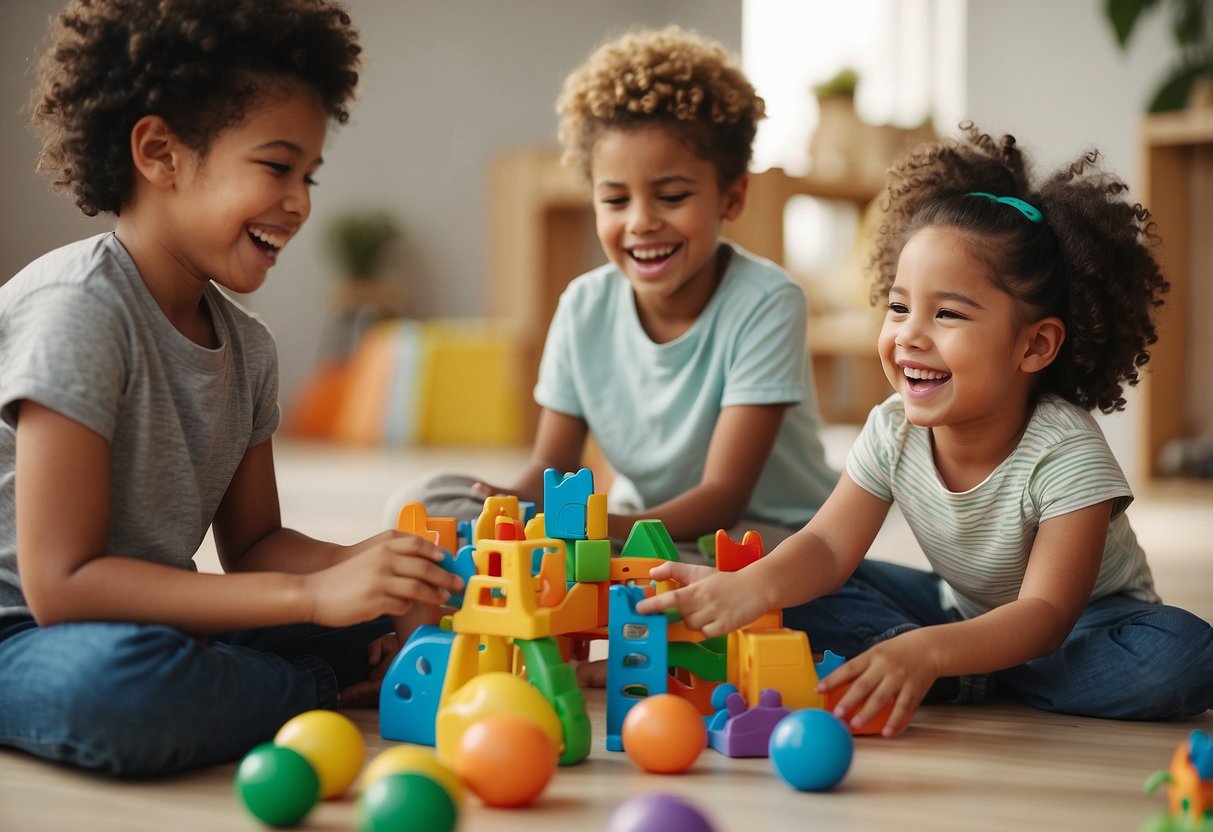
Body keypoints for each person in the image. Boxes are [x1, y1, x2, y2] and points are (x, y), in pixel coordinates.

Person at [0, 0, 462, 777]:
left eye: (309, 176)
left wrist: (367, 562)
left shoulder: (248, 346)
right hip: (27, 635)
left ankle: (276, 682)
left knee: (401, 599)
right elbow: (62, 586)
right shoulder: (79, 309)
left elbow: (253, 548)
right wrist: (313, 602)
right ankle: (319, 686)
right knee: (125, 687)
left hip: (152, 621)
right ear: (160, 153)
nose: (301, 202)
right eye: (277, 167)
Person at [638, 123, 1213, 735]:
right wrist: (748, 588)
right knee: (793, 570)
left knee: (1184, 654)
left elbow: (1046, 613)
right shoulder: (893, 430)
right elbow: (829, 549)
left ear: (1035, 344)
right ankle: (932, 661)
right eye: (899, 306)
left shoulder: (1066, 452)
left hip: (1084, 629)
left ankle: (938, 665)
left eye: (947, 314)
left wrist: (927, 649)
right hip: (955, 608)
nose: (910, 334)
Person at [389, 25, 837, 560]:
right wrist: (507, 508)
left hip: (765, 537)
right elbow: (550, 473)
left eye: (671, 196)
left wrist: (600, 531)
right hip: (635, 528)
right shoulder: (583, 306)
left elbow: (723, 497)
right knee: (422, 502)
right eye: (616, 200)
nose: (642, 221)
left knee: (701, 571)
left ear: (732, 196)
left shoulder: (767, 302)